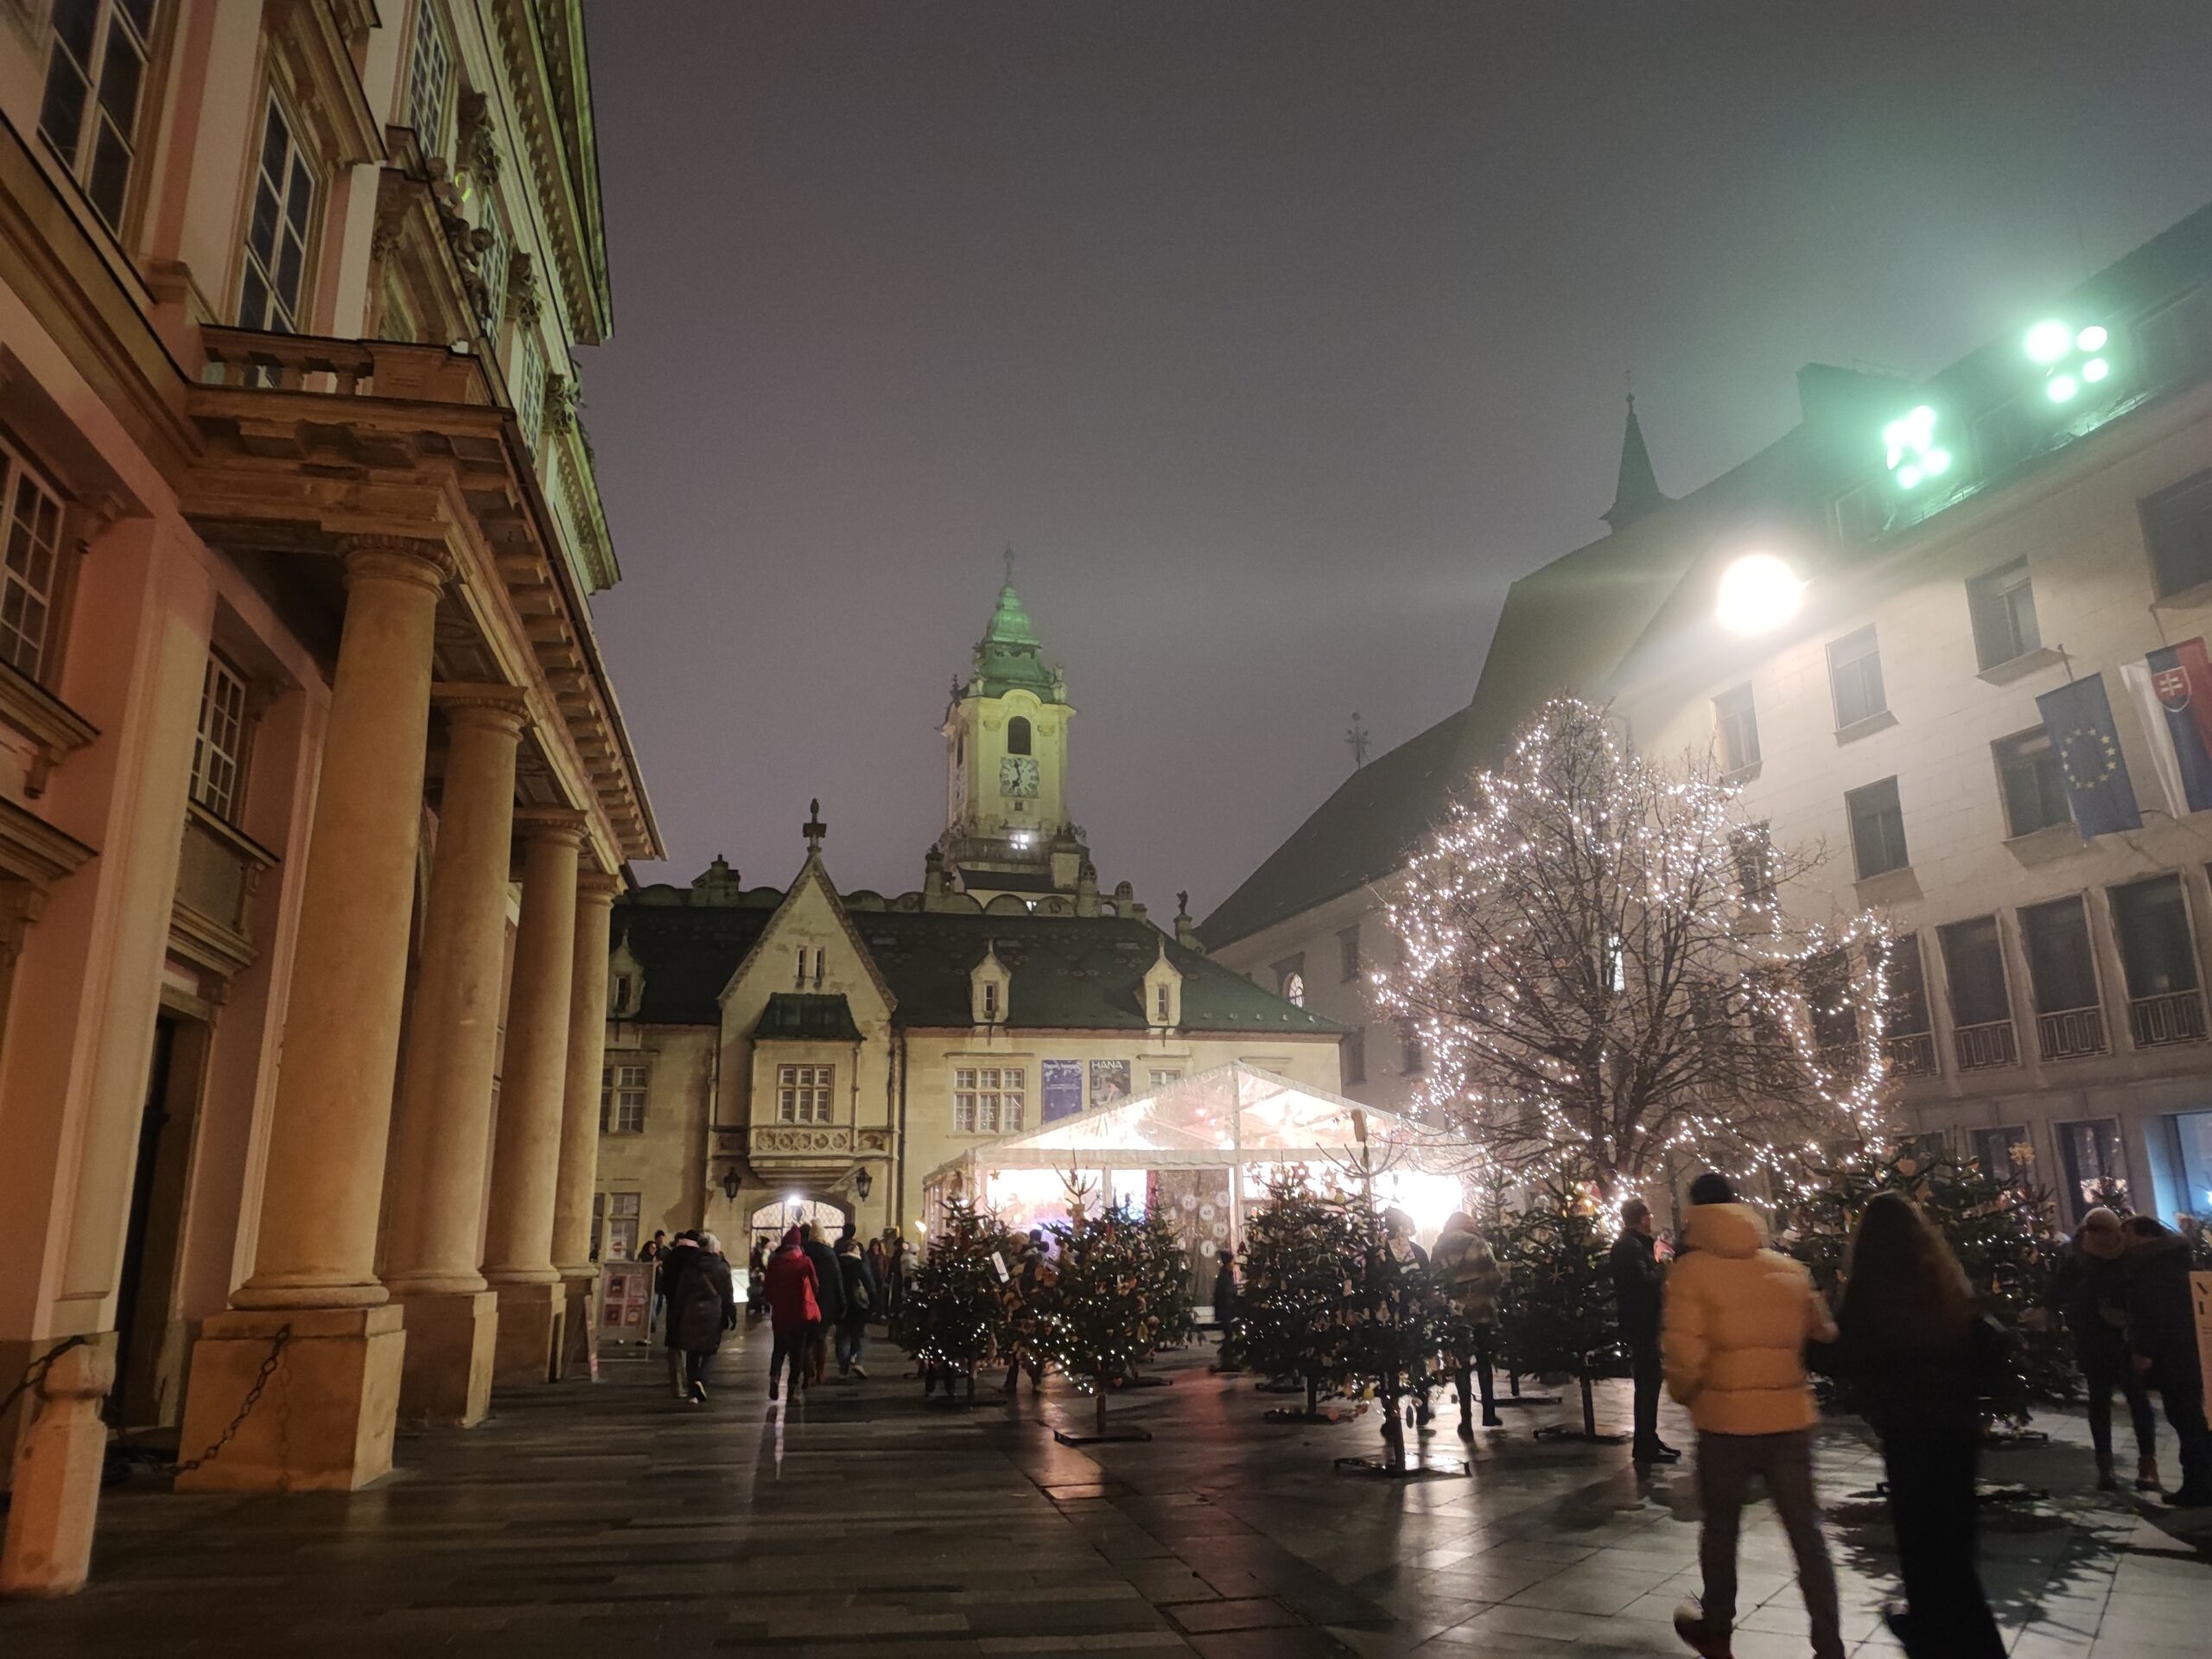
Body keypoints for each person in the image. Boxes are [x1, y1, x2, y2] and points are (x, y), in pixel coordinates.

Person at [1662, 1173, 1845, 1659]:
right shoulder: (1787, 1268)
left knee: (1721, 1530)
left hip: (1725, 1421)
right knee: (1806, 1534)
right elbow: (1824, 1330)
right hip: (1790, 1418)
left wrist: (1687, 1393)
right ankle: (1829, 1641)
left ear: (1695, 1213)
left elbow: (1684, 1355)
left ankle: (1717, 1629)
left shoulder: (1692, 1271)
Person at [1820, 1191, 2005, 1658]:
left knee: (1923, 1546)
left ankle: (1945, 1636)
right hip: (1956, 1429)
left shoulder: (1871, 1289)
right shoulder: (1941, 1280)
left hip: (1908, 1430)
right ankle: (1935, 1630)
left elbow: (1846, 1355)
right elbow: (1985, 1340)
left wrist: (1806, 1342)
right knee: (1953, 1549)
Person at [2053, 1206, 2159, 1491]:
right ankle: (2105, 1467)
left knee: (2138, 1401)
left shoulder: (2130, 1258)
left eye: (2104, 1229)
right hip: (2093, 1340)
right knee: (2099, 1403)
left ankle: (2148, 1464)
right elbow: (2057, 1291)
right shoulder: (2078, 1259)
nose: (2099, 1236)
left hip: (2127, 1339)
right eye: (2093, 1229)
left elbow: (2145, 1297)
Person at [2124, 1215, 2212, 1506]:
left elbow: (2154, 1313)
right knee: (2191, 1419)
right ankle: (2200, 1480)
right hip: (2187, 1351)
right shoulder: (2175, 1260)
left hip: (2172, 1356)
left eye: (2129, 1234)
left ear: (2146, 1235)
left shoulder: (2152, 1267)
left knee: (2186, 1419)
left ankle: (2199, 1485)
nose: (2125, 1242)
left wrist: (2144, 1352)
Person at [1611, 1197, 1677, 1474]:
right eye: (1648, 1215)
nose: (1651, 1218)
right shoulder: (1629, 1247)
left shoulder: (1634, 1244)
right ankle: (1645, 1444)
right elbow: (1643, 1284)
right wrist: (1663, 1267)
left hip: (1643, 1320)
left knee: (1650, 1381)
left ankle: (1649, 1438)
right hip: (1641, 1321)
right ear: (1641, 1218)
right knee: (1648, 1382)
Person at [1431, 1211, 1507, 1438]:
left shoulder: (1439, 1247)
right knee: (1484, 1361)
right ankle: (1489, 1412)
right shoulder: (1478, 1243)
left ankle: (1466, 1420)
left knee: (1461, 1364)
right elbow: (1494, 1276)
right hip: (1481, 1311)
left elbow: (1435, 1280)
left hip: (1456, 1313)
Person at [669, 1231, 736, 1404]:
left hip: (691, 1310)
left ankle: (692, 1392)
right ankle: (701, 1379)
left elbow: (682, 1291)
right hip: (713, 1312)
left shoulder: (691, 1265)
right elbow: (727, 1292)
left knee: (693, 1351)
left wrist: (677, 1313)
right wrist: (731, 1312)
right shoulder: (720, 1266)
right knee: (710, 1350)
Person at [761, 1225, 821, 1402]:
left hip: (781, 1313)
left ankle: (774, 1377)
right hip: (800, 1312)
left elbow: (768, 1288)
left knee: (779, 1348)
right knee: (797, 1350)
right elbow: (815, 1285)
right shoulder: (805, 1261)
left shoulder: (775, 1262)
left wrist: (775, 1302)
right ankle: (792, 1388)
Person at [657, 1230, 702, 1401]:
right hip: (693, 1305)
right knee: (693, 1345)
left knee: (674, 1345)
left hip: (674, 1304)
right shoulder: (697, 1258)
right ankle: (692, 1383)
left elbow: (665, 1283)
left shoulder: (671, 1257)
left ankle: (676, 1386)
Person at [800, 1221, 845, 1384]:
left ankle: (807, 1372)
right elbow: (837, 1280)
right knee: (822, 1338)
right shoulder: (829, 1254)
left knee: (807, 1340)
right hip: (827, 1302)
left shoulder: (803, 1253)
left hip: (806, 1301)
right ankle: (820, 1372)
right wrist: (842, 1303)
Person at [833, 1234, 879, 1378]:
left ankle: (843, 1369)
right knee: (861, 1335)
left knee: (842, 1337)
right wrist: (874, 1305)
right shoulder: (860, 1265)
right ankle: (858, 1362)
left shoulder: (837, 1264)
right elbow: (870, 1286)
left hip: (841, 1305)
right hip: (859, 1306)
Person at [639, 1230, 668, 1332]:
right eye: (652, 1247)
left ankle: (652, 1325)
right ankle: (651, 1326)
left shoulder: (661, 1253)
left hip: (659, 1284)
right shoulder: (644, 1257)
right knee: (652, 1306)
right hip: (649, 1285)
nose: (654, 1249)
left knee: (657, 1305)